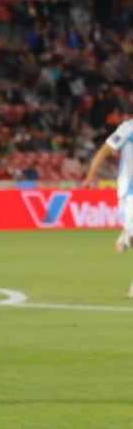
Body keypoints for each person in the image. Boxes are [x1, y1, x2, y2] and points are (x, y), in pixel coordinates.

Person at [84, 117, 133, 296]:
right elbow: (104, 151)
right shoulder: (128, 128)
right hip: (129, 192)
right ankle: (127, 237)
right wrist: (90, 175)